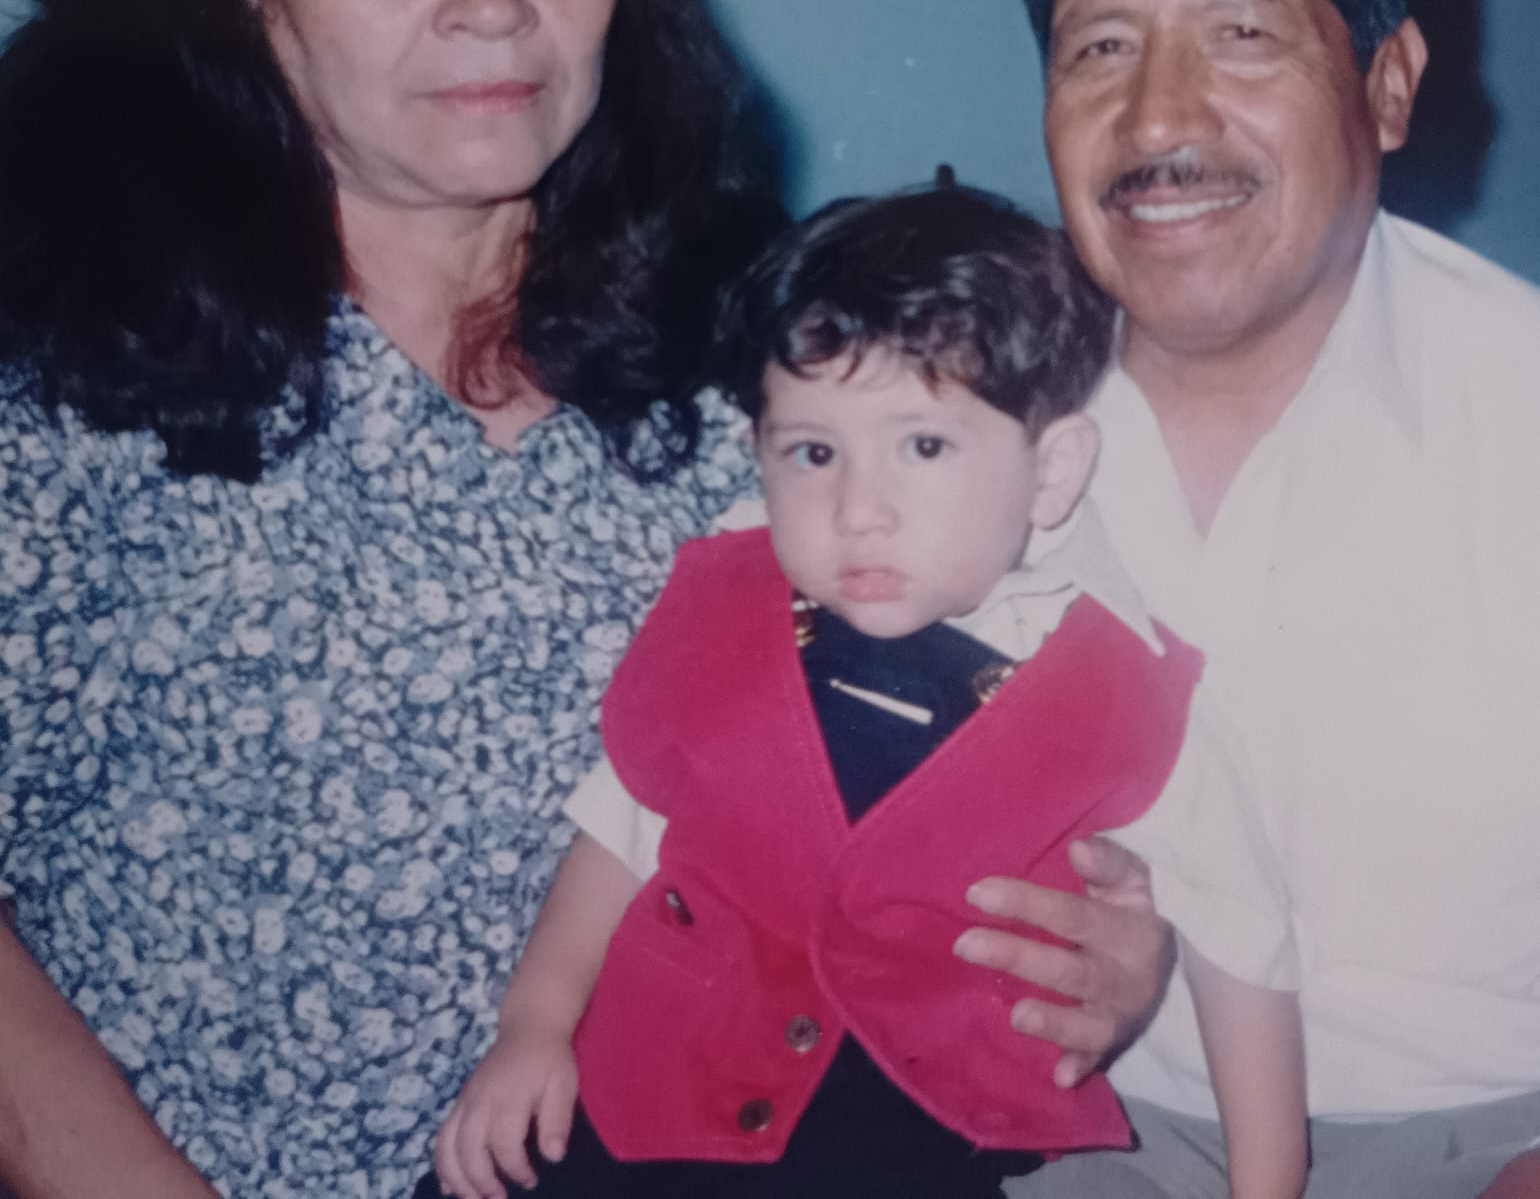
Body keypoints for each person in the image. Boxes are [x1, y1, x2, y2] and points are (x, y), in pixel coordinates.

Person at [0, 0, 1166, 1197]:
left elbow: (973, 699)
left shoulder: (757, 359)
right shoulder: (64, 366)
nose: (494, 0)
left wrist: (1114, 944)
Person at [424, 186, 1307, 1199]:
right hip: (641, 1111)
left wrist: (1265, 1186)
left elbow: (1242, 950)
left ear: (1052, 469)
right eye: (813, 453)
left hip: (908, 1150)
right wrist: (534, 1027)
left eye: (923, 447)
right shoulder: (718, 603)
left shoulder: (1131, 694)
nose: (859, 510)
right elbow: (621, 823)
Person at [982, 0, 1540, 1198]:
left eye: (1241, 35)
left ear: (1387, 84)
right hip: (1049, 1129)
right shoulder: (939, 414)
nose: (1159, 120)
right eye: (1100, 49)